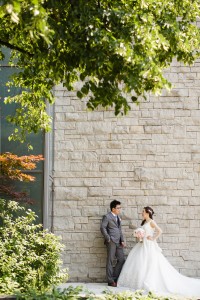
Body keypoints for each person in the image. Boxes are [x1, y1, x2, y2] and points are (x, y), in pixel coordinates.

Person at [117, 206, 200, 297]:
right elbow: (144, 232)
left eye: (143, 212)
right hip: (142, 245)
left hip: (149, 245)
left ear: (148, 213)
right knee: (141, 262)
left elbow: (160, 231)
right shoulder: (144, 222)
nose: (142, 213)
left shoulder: (152, 222)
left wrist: (153, 238)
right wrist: (139, 236)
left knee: (150, 263)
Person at [100, 200, 125, 287]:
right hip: (111, 241)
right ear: (113, 209)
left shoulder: (118, 217)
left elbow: (119, 229)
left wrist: (122, 240)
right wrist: (108, 238)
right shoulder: (107, 216)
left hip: (118, 241)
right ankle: (110, 281)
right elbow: (103, 228)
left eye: (120, 208)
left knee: (121, 259)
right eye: (118, 208)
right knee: (110, 260)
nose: (119, 209)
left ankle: (114, 277)